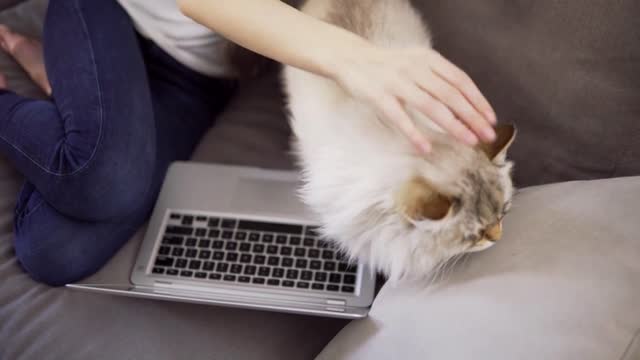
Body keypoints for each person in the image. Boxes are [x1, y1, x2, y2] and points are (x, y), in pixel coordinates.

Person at [0, 0, 496, 286]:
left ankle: (75, 94)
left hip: (197, 74)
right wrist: (353, 56)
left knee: (50, 251)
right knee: (103, 179)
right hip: (110, 10)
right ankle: (60, 95)